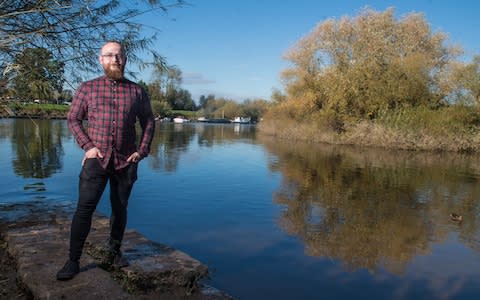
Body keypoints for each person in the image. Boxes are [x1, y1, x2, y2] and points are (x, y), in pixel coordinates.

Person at [56, 40, 155, 281]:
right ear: (100, 60)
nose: (115, 59)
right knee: (84, 209)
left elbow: (149, 122)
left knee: (120, 208)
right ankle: (73, 260)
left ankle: (114, 251)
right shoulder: (87, 88)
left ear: (125, 59)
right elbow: (73, 119)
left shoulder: (137, 91)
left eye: (119, 55)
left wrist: (141, 151)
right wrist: (88, 147)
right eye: (109, 55)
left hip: (126, 161)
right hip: (96, 159)